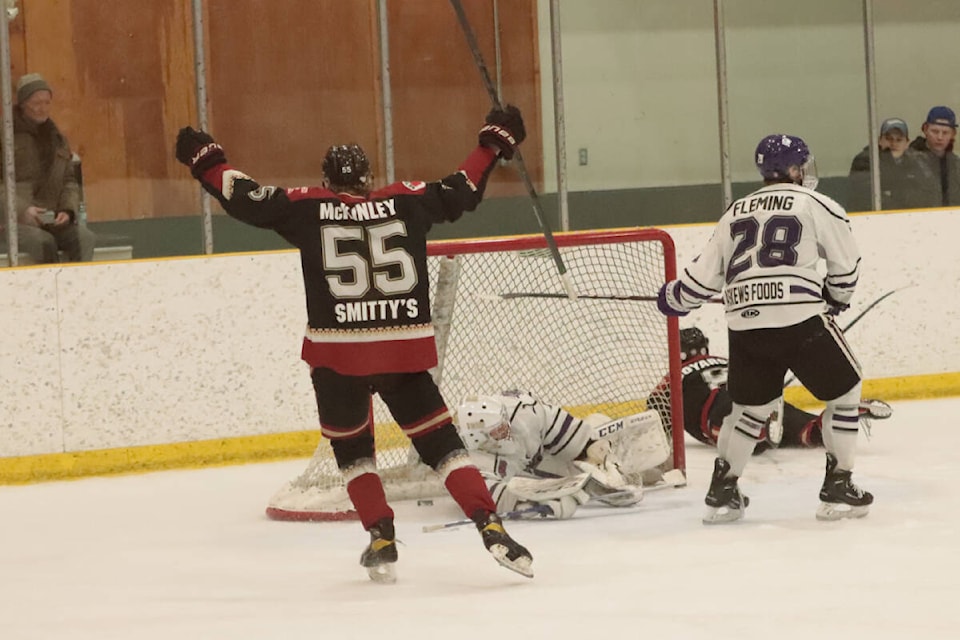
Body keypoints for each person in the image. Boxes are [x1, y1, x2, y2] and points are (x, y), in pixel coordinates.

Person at [175, 106, 533, 582]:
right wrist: (492, 144)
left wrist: (207, 160)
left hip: (338, 355)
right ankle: (489, 524)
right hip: (403, 351)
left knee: (355, 453)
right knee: (442, 446)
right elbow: (461, 189)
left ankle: (381, 532)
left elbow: (245, 197)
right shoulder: (408, 200)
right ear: (368, 177)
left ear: (326, 178)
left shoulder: (305, 207)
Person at [657, 133, 873, 524]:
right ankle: (839, 485)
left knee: (748, 410)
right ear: (794, 169)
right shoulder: (817, 204)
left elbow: (700, 282)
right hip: (799, 318)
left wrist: (673, 297)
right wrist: (837, 298)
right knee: (845, 392)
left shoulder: (735, 211)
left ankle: (722, 493)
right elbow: (846, 264)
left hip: (745, 325)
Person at [648, 327, 893, 454]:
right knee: (800, 428)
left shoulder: (673, 376)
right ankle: (824, 424)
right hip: (752, 394)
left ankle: (758, 431)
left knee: (731, 426)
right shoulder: (724, 358)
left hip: (718, 407)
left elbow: (655, 411)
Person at [455, 391, 652, 520]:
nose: (506, 431)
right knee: (571, 482)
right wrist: (535, 502)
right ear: (476, 437)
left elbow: (557, 425)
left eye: (503, 424)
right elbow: (496, 497)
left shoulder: (521, 411)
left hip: (544, 453)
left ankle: (612, 459)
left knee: (597, 434)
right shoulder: (464, 460)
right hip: (524, 476)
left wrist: (589, 447)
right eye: (497, 431)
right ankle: (593, 481)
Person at [0, 73, 95, 264]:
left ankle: (78, 289)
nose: (42, 108)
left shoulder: (58, 139)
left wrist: (67, 211)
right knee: (43, 243)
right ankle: (49, 292)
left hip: (51, 218)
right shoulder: (6, 137)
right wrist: (21, 210)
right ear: (22, 104)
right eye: (36, 103)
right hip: (12, 222)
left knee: (85, 238)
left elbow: (69, 181)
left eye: (46, 102)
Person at [846, 117, 939, 212]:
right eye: (888, 138)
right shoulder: (865, 161)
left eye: (899, 140)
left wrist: (895, 193)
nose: (894, 143)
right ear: (879, 141)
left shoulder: (919, 161)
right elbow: (864, 196)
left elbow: (930, 195)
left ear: (907, 143)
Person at [909, 106, 960, 207]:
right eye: (935, 131)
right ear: (925, 129)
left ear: (953, 134)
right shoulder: (908, 160)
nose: (940, 137)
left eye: (945, 133)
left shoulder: (956, 164)